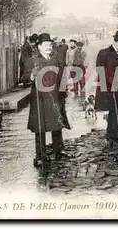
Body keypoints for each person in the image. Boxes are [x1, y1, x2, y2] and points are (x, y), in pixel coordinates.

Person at [27, 33, 71, 167]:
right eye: (45, 45)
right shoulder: (33, 60)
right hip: (40, 98)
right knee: (40, 126)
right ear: (39, 46)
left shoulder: (56, 59)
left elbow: (61, 77)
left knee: (57, 122)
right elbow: (24, 77)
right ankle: (40, 155)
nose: (49, 47)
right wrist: (31, 75)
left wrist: (63, 91)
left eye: (50, 45)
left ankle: (59, 149)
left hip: (55, 95)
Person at [94, 30, 118, 150]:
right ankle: (114, 136)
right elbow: (100, 70)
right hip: (108, 89)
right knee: (112, 110)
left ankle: (114, 136)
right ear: (115, 41)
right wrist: (110, 81)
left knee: (117, 111)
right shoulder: (104, 53)